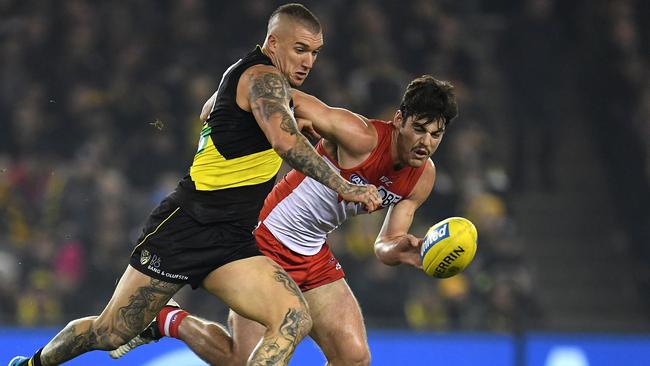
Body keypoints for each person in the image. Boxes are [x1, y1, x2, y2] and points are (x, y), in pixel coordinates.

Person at [9, 4, 382, 366]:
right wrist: (344, 185)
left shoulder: (259, 82)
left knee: (292, 318)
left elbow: (209, 110)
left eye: (314, 52)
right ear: (272, 43)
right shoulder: (262, 78)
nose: (308, 61)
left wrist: (252, 119)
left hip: (232, 239)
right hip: (185, 228)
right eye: (300, 49)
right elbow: (284, 142)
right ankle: (32, 364)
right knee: (111, 332)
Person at [110, 75, 459, 365]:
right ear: (399, 120)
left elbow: (384, 244)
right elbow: (291, 97)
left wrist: (409, 251)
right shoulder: (361, 136)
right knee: (242, 359)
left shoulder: (423, 176)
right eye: (419, 129)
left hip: (312, 253)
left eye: (436, 135)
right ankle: (165, 318)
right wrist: (226, 98)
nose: (426, 142)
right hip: (262, 241)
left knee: (354, 359)